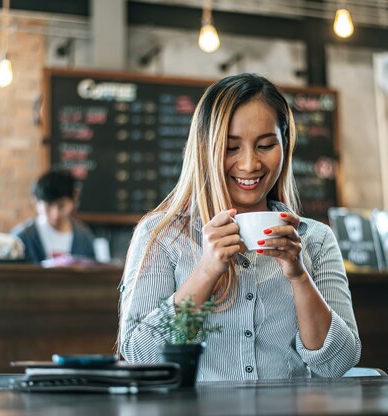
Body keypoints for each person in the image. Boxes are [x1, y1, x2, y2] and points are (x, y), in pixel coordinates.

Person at [118, 73, 360, 381]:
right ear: (205, 150)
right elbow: (140, 356)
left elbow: (336, 364)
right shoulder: (162, 236)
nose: (250, 164)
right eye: (232, 148)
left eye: (265, 145)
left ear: (285, 145)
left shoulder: (315, 240)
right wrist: (207, 271)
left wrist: (299, 276)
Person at [12, 170, 96, 263]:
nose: (55, 214)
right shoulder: (21, 238)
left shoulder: (84, 237)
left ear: (73, 201)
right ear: (36, 202)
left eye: (61, 206)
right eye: (48, 206)